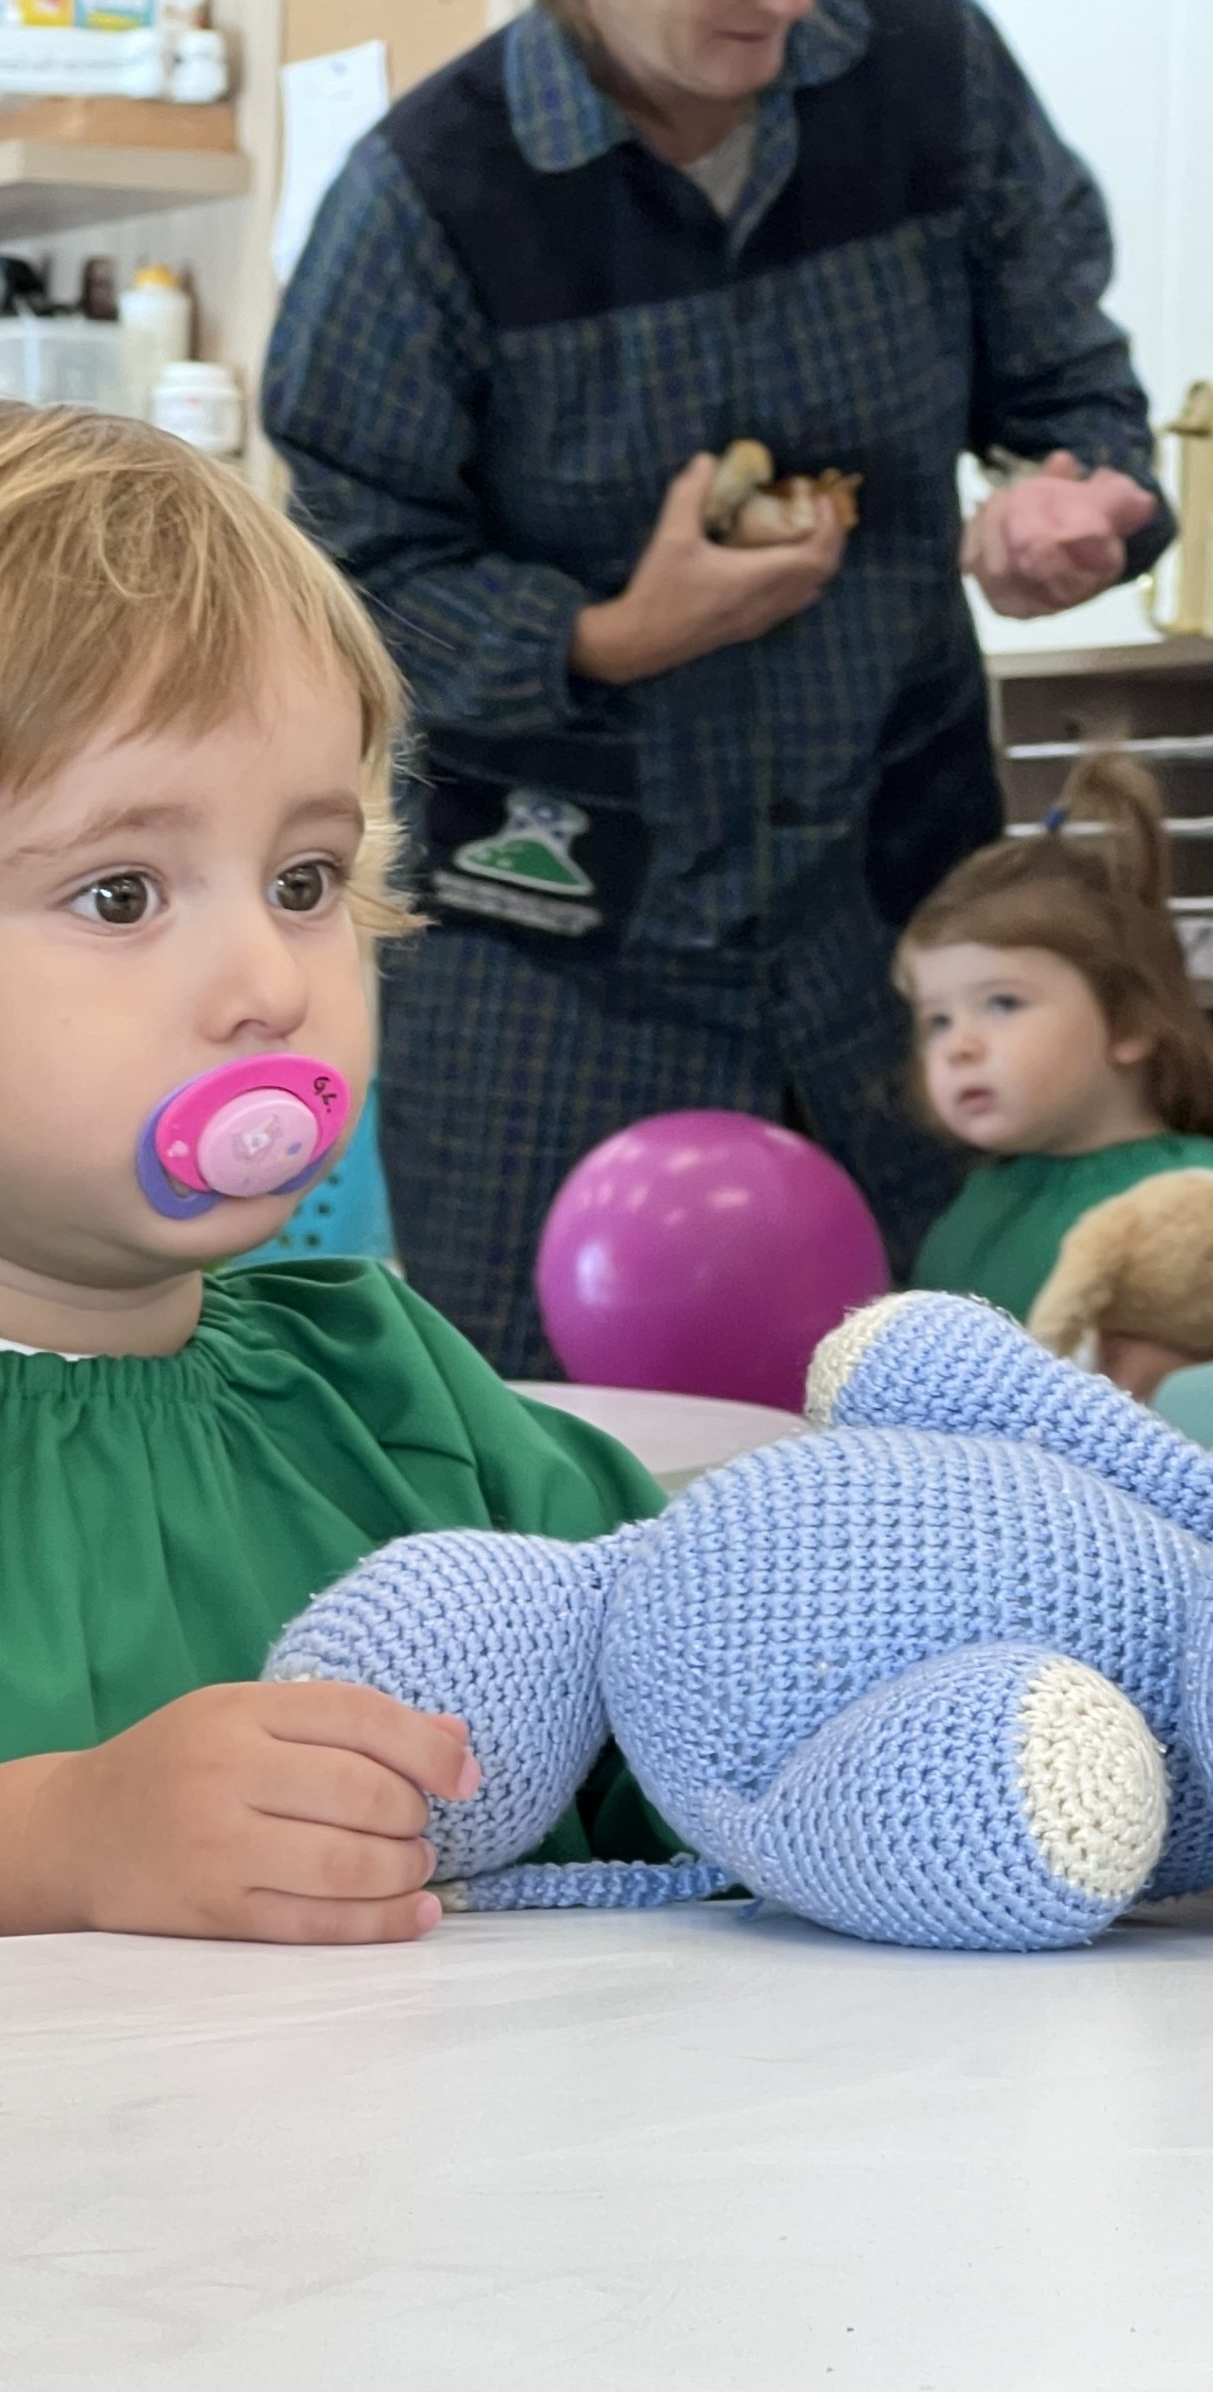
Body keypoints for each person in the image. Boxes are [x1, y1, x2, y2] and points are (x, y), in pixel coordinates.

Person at [0, 396, 679, 1959]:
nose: (270, 982)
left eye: (304, 880)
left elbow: (683, 1679)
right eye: (121, 895)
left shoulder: (387, 1379)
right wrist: (71, 1841)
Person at [262, 0, 1174, 1378]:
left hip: (896, 917)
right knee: (548, 1421)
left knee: (949, 1392)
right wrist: (607, 635)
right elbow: (345, 577)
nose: (786, 8)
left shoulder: (934, 74)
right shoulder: (423, 199)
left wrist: (1076, 508)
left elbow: (1075, 396)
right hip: (560, 957)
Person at [899, 756, 1213, 1325]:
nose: (958, 1046)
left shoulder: (1194, 1197)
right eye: (937, 1020)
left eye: (1003, 1003)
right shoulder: (974, 1208)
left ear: (1129, 1023)